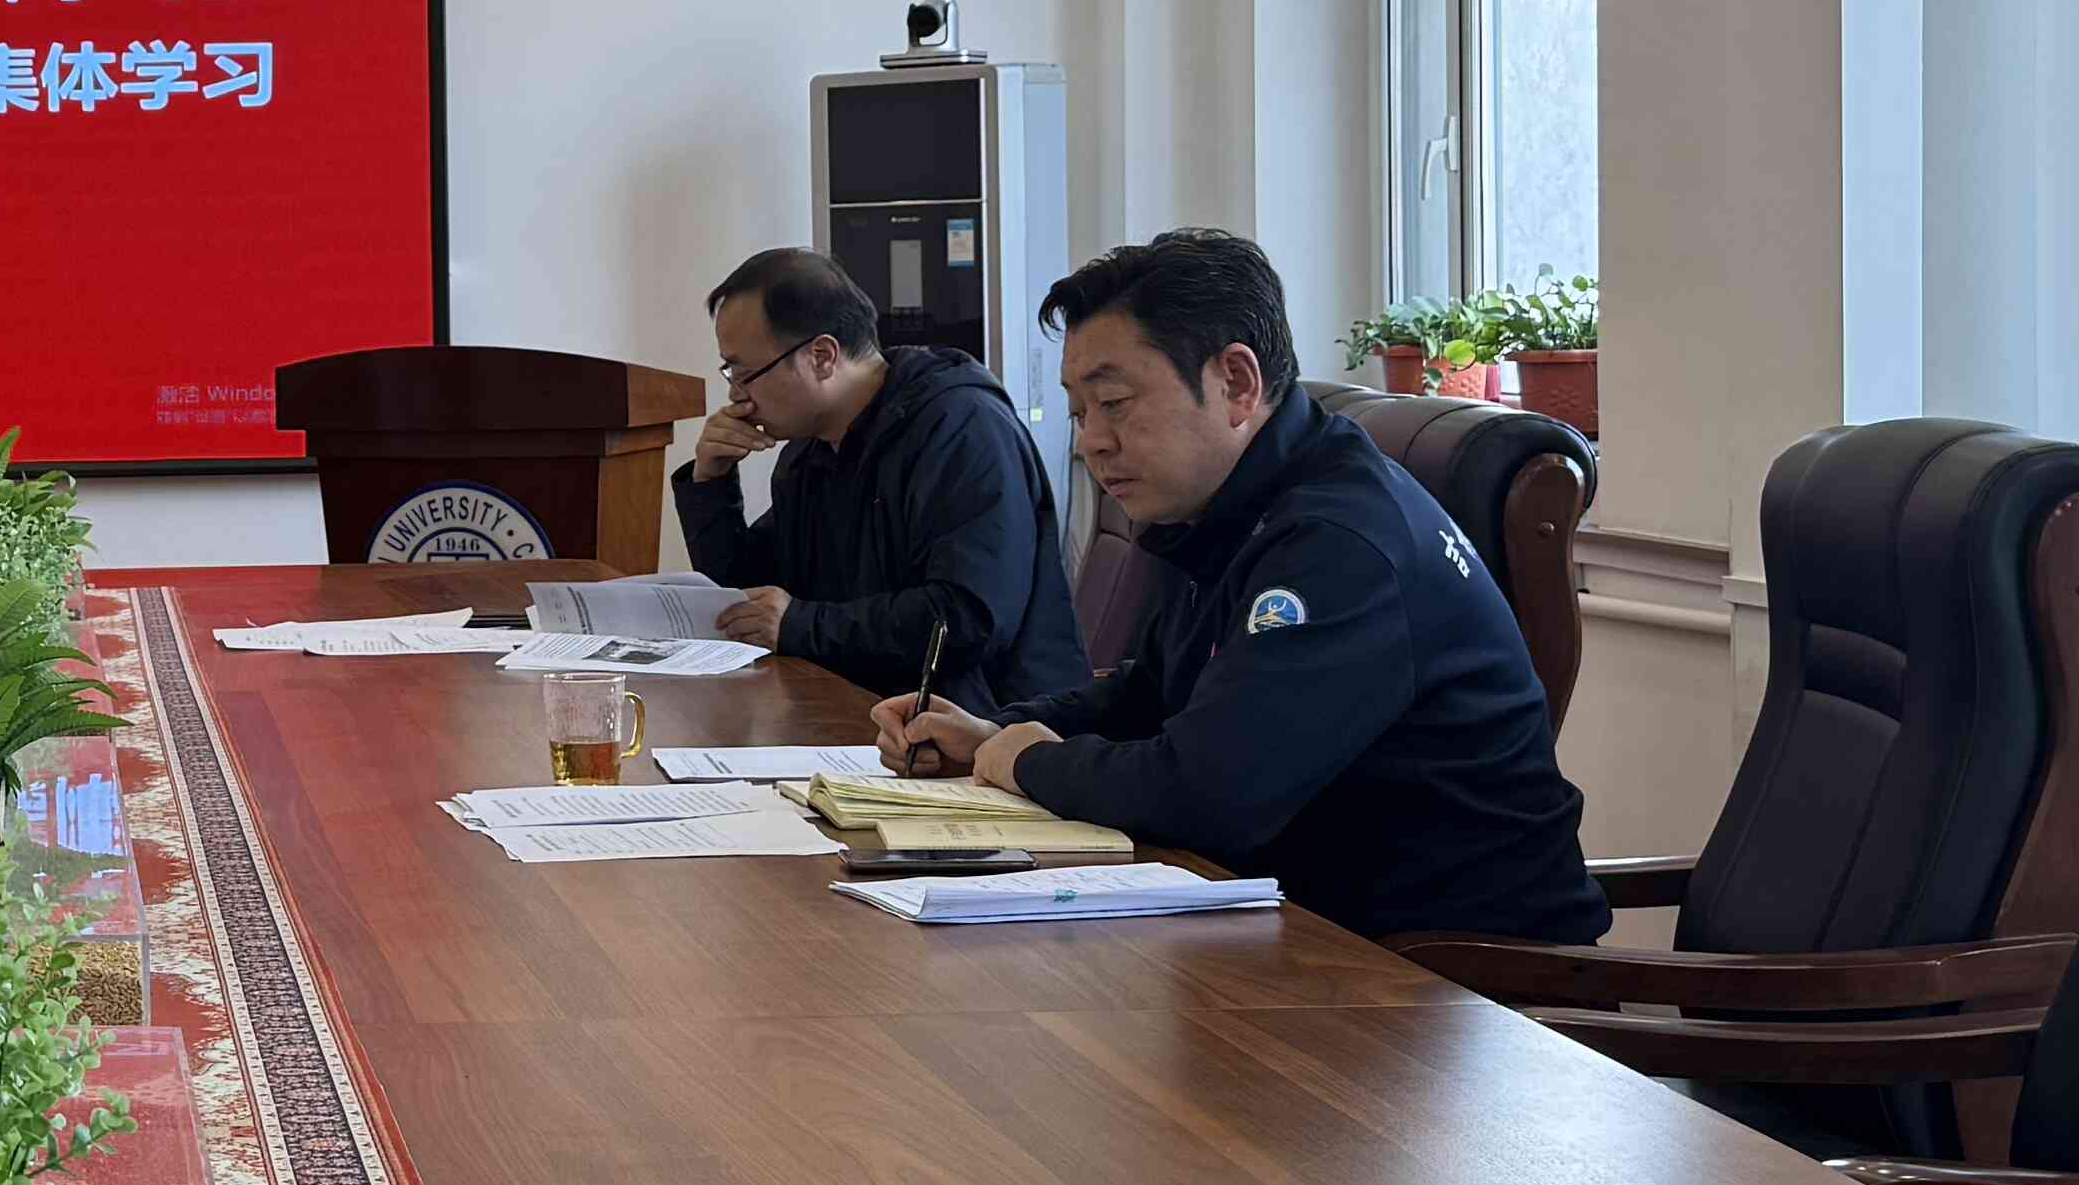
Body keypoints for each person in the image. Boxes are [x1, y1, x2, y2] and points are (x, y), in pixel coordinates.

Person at [878, 226, 1603, 949]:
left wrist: (1028, 760)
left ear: (1237, 382)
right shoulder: (1236, 505)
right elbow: (1153, 692)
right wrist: (996, 731)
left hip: (1453, 976)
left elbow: (1209, 793)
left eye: (1114, 402)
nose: (1089, 440)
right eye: (1079, 412)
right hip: (1313, 934)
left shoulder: (1338, 543)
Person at [676, 245, 1092, 709]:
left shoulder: (961, 429)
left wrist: (801, 626)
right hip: (859, 712)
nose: (737, 396)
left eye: (745, 374)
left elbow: (967, 619)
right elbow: (751, 602)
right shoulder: (810, 451)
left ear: (822, 356)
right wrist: (710, 482)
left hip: (984, 725)